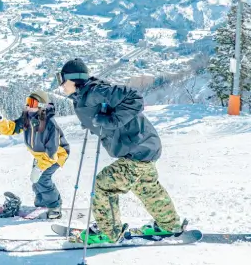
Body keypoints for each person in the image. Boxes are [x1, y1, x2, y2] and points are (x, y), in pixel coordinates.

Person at [56, 59, 182, 245]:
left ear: (74, 79)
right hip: (145, 146)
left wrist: (111, 121)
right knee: (146, 187)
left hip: (138, 148)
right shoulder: (84, 96)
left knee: (104, 185)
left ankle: (108, 232)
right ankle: (169, 225)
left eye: (62, 79)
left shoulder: (95, 91)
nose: (60, 84)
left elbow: (134, 98)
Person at [0, 90, 69, 219]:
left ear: (41, 106)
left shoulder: (49, 124)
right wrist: (0, 121)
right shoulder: (27, 118)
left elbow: (52, 150)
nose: (28, 106)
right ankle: (42, 204)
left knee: (43, 180)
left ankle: (54, 207)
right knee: (35, 181)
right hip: (40, 155)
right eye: (27, 102)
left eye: (32, 103)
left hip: (55, 155)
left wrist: (40, 167)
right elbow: (12, 128)